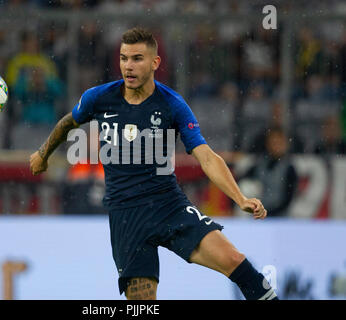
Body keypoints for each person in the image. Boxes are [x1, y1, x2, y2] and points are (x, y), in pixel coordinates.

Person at [30, 27, 277, 300]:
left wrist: (239, 197)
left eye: (137, 58)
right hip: (126, 217)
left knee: (234, 259)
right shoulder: (99, 97)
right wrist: (43, 153)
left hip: (169, 205)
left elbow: (205, 155)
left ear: (155, 63)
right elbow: (68, 122)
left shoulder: (172, 104)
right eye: (124, 58)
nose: (128, 66)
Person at [241, 126, 298, 217]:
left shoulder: (289, 168)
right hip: (258, 215)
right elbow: (243, 181)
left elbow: (288, 199)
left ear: (286, 144)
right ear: (267, 143)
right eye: (273, 142)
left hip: (280, 216)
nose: (276, 145)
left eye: (279, 142)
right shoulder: (259, 163)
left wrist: (269, 213)